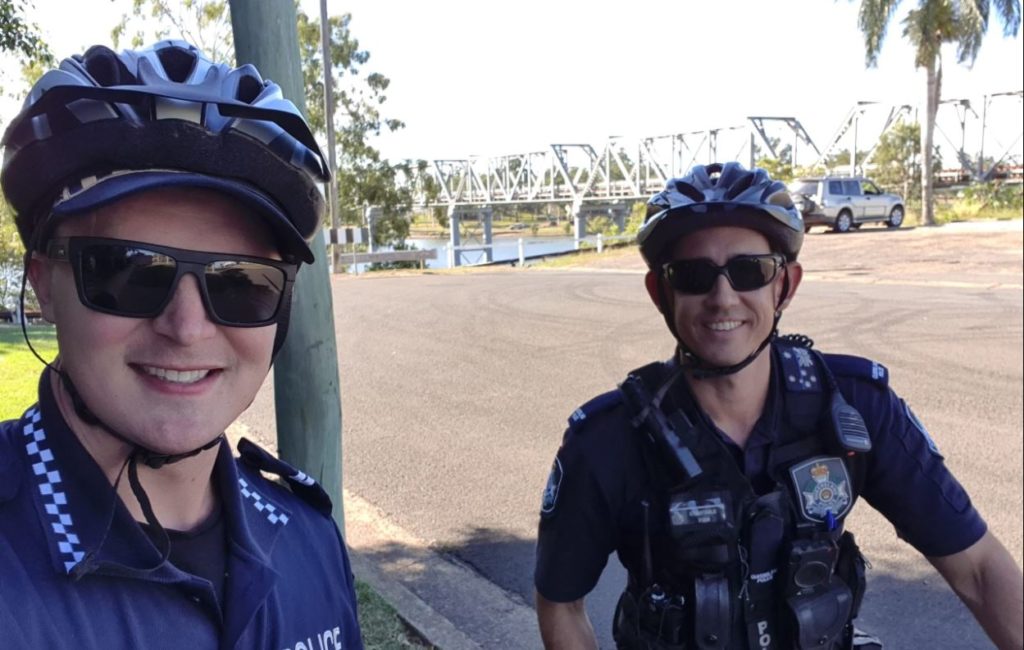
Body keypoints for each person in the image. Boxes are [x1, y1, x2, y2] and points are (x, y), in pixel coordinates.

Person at [533, 162, 1023, 649]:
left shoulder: (854, 406)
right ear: (661, 292)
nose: (722, 298)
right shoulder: (607, 440)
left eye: (749, 271)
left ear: (783, 285)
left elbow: (978, 569)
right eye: (693, 275)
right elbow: (562, 604)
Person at [0, 41, 362, 649]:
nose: (188, 327)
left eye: (241, 283)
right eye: (128, 271)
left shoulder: (310, 539)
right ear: (46, 286)